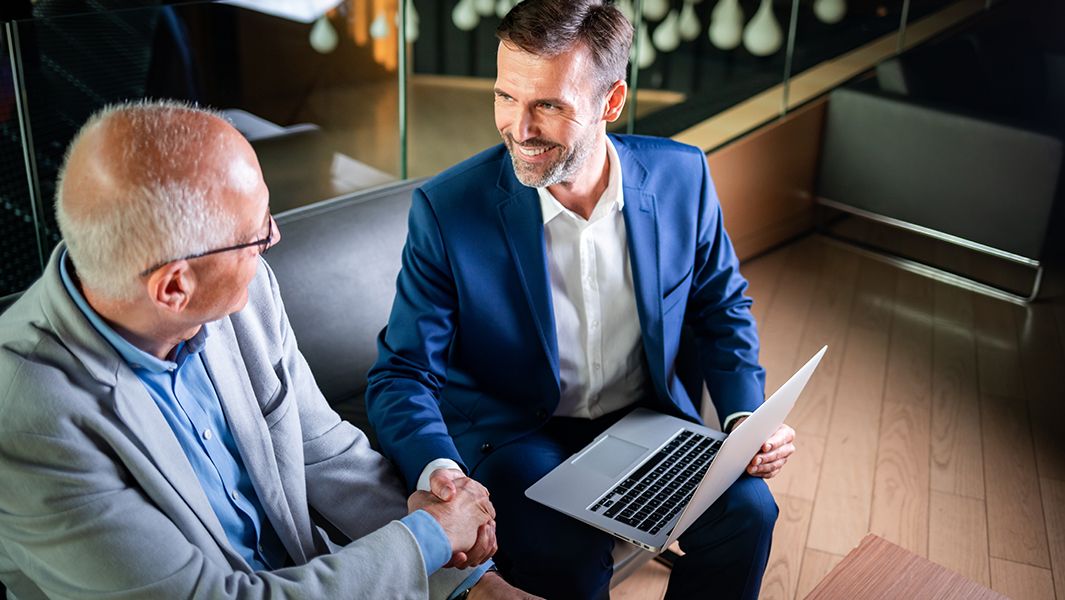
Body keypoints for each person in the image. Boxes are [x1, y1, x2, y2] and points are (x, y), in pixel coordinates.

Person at [0, 101, 537, 600]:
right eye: (255, 236)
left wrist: (469, 580)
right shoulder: (26, 420)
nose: (273, 239)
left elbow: (326, 451)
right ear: (173, 287)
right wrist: (431, 537)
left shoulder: (244, 293)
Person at [366, 1, 797, 598]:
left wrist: (744, 419)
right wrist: (442, 476)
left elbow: (721, 308)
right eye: (505, 97)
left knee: (750, 514)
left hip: (647, 428)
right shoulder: (446, 212)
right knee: (567, 555)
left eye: (548, 104)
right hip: (516, 438)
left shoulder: (684, 177)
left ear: (611, 103)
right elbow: (402, 374)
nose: (519, 127)